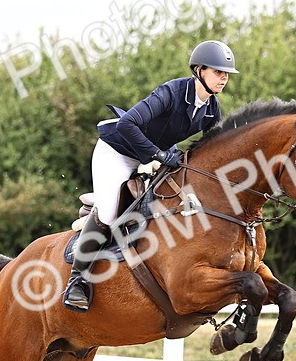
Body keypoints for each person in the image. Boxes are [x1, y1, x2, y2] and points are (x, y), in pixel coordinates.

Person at [61, 39, 239, 312]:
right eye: (218, 72)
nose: (223, 78)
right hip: (118, 151)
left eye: (226, 73)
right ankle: (77, 281)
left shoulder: (211, 107)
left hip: (155, 156)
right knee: (109, 213)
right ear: (199, 70)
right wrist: (158, 155)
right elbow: (127, 124)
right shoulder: (171, 92)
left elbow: (212, 149)